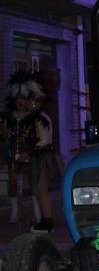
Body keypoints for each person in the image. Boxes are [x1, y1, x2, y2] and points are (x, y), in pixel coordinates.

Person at [6, 71, 60, 231]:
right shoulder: (33, 117)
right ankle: (45, 220)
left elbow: (44, 141)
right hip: (35, 157)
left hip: (40, 158)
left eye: (28, 99)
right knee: (37, 189)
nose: (26, 103)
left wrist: (28, 153)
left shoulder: (40, 118)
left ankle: (47, 221)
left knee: (41, 190)